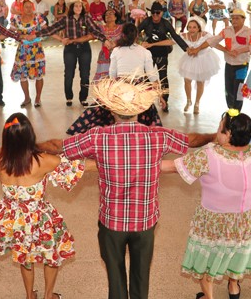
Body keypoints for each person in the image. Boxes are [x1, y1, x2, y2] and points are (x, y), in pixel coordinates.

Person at [62, 76, 190, 299]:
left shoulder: (97, 137)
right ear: (141, 109)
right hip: (145, 221)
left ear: (111, 110)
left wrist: (29, 144)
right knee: (142, 274)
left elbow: (64, 149)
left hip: (112, 221)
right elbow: (190, 141)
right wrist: (222, 138)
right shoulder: (159, 136)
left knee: (115, 275)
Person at [163, 110, 251, 299]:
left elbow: (172, 167)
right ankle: (233, 288)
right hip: (246, 220)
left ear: (229, 134)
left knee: (207, 264)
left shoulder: (209, 155)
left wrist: (139, 161)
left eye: (220, 128)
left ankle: (209, 296)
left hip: (214, 221)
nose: (217, 131)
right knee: (236, 255)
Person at [0, 113, 87, 299]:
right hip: (40, 218)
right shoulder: (43, 161)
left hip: (13, 220)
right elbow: (79, 167)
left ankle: (30, 295)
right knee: (52, 254)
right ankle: (48, 296)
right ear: (30, 136)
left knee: (25, 257)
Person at [66, 23, 161, 136]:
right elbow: (152, 76)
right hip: (138, 87)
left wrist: (110, 89)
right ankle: (142, 134)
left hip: (119, 85)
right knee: (148, 110)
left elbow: (112, 74)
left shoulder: (116, 51)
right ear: (137, 36)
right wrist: (159, 95)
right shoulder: (145, 52)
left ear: (123, 36)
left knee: (101, 108)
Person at [31, 0, 113, 107]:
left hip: (84, 48)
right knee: (69, 74)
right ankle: (69, 97)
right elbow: (51, 29)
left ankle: (83, 98)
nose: (78, 8)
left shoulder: (86, 18)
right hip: (70, 49)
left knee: (85, 74)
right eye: (76, 5)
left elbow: (95, 30)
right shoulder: (66, 19)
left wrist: (105, 39)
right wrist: (34, 35)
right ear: (71, 7)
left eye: (80, 6)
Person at [138, 1, 189, 112]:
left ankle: (165, 101)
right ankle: (147, 103)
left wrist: (186, 48)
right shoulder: (147, 22)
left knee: (163, 78)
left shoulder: (165, 23)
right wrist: (140, 42)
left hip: (162, 54)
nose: (155, 15)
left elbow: (175, 36)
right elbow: (135, 33)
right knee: (147, 78)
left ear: (162, 13)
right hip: (148, 55)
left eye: (157, 13)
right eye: (153, 13)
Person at [177, 16, 220, 114]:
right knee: (187, 80)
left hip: (203, 59)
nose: (192, 29)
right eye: (190, 27)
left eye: (194, 27)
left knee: (200, 82)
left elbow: (214, 43)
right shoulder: (183, 35)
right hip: (189, 59)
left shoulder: (205, 35)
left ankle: (197, 103)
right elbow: (171, 41)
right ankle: (189, 101)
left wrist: (227, 51)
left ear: (199, 28)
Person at [10, 0, 47, 108]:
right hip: (22, 50)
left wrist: (36, 34)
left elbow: (47, 30)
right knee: (22, 75)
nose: (29, 9)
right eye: (26, 7)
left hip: (37, 50)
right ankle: (27, 97)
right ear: (22, 8)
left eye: (30, 7)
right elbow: (10, 32)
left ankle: (38, 98)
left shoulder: (38, 18)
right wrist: (21, 36)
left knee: (39, 75)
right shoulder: (16, 19)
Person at [92, 9, 122, 81]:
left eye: (111, 13)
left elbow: (127, 39)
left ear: (116, 17)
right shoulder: (100, 28)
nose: (108, 15)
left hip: (118, 56)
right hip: (104, 56)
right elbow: (91, 34)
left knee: (117, 79)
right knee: (104, 80)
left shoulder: (121, 28)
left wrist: (116, 43)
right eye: (106, 14)